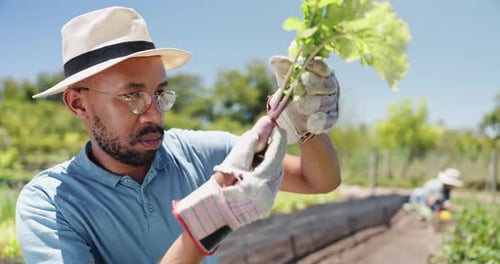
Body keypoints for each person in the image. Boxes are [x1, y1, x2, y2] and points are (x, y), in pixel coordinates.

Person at [15, 6, 341, 264]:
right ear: (77, 103)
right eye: (132, 97)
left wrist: (306, 126)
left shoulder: (200, 154)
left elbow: (319, 181)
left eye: (160, 94)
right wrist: (203, 228)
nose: (155, 113)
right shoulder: (49, 203)